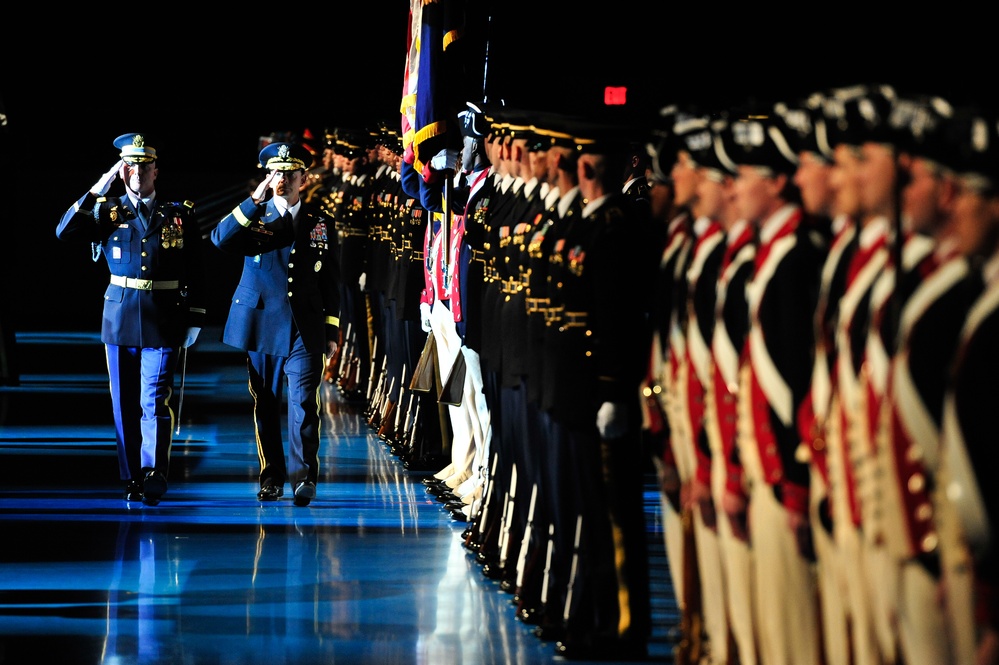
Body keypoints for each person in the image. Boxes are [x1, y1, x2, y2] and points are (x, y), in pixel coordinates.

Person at [56, 132, 206, 505]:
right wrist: (97, 189)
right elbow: (64, 231)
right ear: (122, 171)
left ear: (156, 169)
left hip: (164, 316)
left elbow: (198, 268)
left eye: (144, 165)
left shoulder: (178, 214)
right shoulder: (108, 212)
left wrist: (195, 318)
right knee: (124, 403)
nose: (138, 172)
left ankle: (154, 472)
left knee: (155, 399)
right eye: (130, 166)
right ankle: (132, 476)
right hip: (120, 315)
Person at [211, 142, 341, 506]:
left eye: (289, 173)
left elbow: (332, 281)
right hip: (261, 322)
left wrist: (331, 331)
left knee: (303, 403)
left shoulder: (320, 223)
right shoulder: (256, 214)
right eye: (276, 172)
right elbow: (221, 239)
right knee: (266, 403)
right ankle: (272, 476)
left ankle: (304, 478)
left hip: (304, 326)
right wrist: (255, 199)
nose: (282, 179)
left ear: (304, 177)